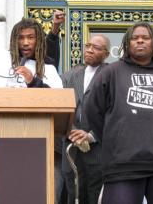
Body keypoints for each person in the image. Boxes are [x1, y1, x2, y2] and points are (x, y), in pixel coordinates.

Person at [0, 0, 65, 204]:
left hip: (36, 151)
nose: (26, 43)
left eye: (30, 37)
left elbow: (58, 103)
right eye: (20, 38)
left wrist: (33, 82)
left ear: (38, 40)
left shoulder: (46, 69)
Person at [85, 22, 153, 204]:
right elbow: (93, 111)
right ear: (127, 43)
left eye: (145, 38)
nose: (140, 41)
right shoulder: (111, 73)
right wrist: (114, 136)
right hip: (121, 165)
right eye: (135, 38)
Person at [61, 35, 110, 204]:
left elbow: (114, 112)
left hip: (98, 150)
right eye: (88, 45)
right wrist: (72, 131)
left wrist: (91, 135)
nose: (89, 49)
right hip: (71, 148)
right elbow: (60, 106)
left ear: (106, 54)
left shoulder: (111, 75)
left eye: (96, 47)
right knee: (73, 196)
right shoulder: (69, 75)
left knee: (96, 197)